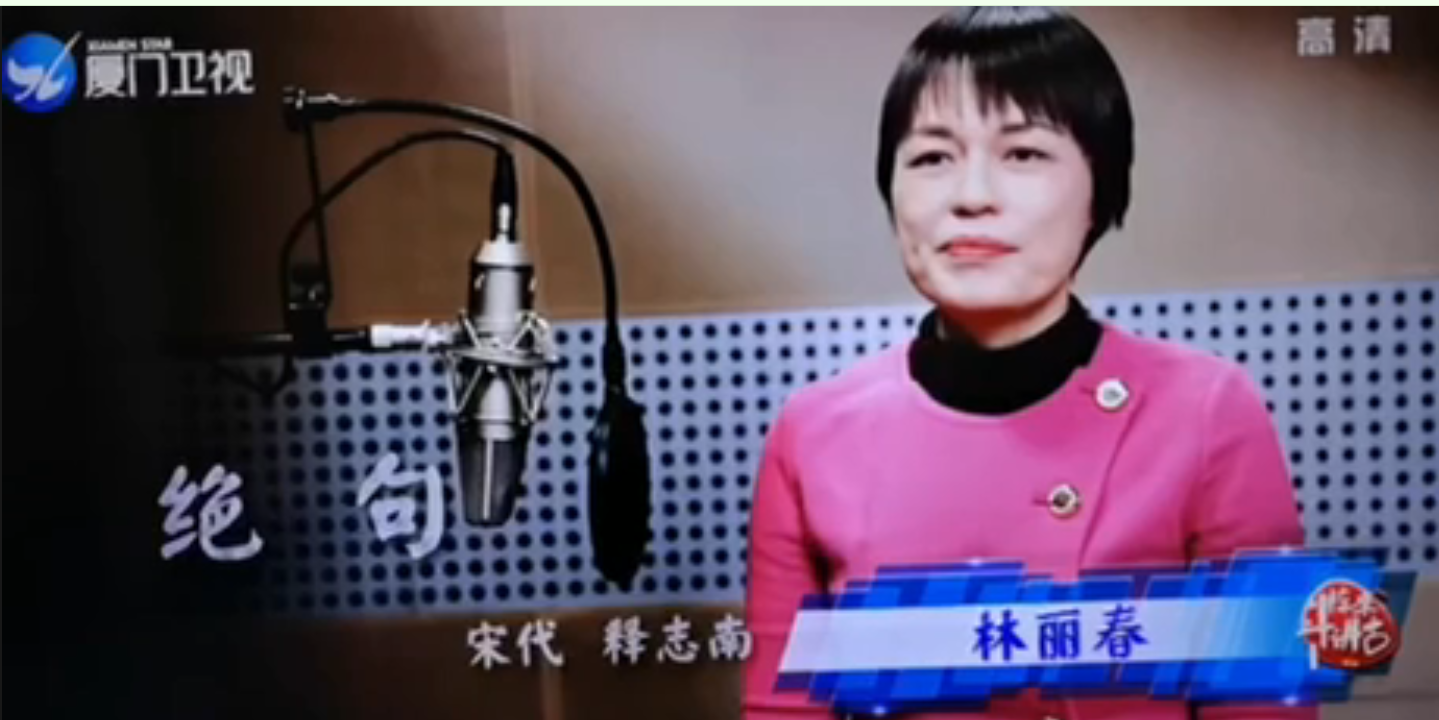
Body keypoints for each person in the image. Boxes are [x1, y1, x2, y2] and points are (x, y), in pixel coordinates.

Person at [743, 8, 1312, 720]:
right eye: (932, 158)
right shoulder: (813, 432)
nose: (972, 196)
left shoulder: (1208, 410)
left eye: (1023, 154)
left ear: (1099, 190)